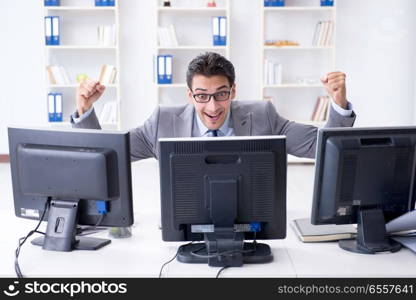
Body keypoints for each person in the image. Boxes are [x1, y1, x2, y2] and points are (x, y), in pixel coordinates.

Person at [72, 52, 355, 161]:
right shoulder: (162, 122)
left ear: (233, 91)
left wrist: (338, 103)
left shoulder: (263, 116)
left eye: (221, 94)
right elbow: (107, 155)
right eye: (202, 96)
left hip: (253, 227)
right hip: (184, 229)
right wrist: (84, 110)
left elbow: (325, 149)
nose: (212, 107)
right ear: (189, 95)